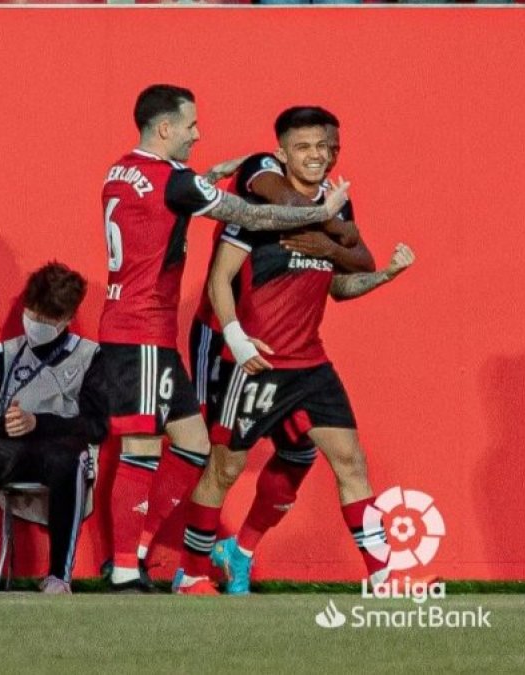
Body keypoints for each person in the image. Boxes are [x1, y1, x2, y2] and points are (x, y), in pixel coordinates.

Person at [100, 84, 350, 591]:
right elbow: (254, 216)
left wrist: (208, 176)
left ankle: (143, 549)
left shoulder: (120, 170)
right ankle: (125, 569)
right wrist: (321, 212)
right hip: (139, 330)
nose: (199, 133)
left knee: (193, 445)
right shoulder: (172, 181)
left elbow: (165, 202)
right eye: (190, 125)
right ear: (165, 128)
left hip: (149, 332)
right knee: (141, 449)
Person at [176, 107, 413, 595]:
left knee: (349, 461)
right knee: (226, 469)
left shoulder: (337, 206)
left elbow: (341, 288)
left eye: (324, 148)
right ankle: (191, 572)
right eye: (304, 148)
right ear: (282, 153)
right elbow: (220, 277)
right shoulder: (257, 207)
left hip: (311, 362)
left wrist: (383, 275)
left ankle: (384, 579)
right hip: (259, 361)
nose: (316, 156)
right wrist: (237, 339)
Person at [0, 263, 107, 595]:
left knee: (71, 462)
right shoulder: (5, 353)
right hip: (7, 448)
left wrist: (38, 422)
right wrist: (5, 424)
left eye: (46, 320)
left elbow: (96, 426)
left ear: (67, 319)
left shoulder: (89, 356)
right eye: (33, 313)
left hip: (58, 450)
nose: (36, 323)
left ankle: (59, 576)